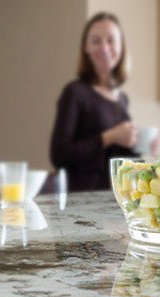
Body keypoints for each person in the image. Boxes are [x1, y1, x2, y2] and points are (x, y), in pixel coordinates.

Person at [50, 12, 150, 192]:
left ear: (121, 46)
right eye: (96, 41)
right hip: (82, 202)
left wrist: (138, 143)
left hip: (115, 200)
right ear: (86, 48)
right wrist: (108, 137)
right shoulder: (74, 93)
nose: (104, 48)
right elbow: (59, 155)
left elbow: (115, 159)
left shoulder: (122, 99)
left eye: (111, 40)